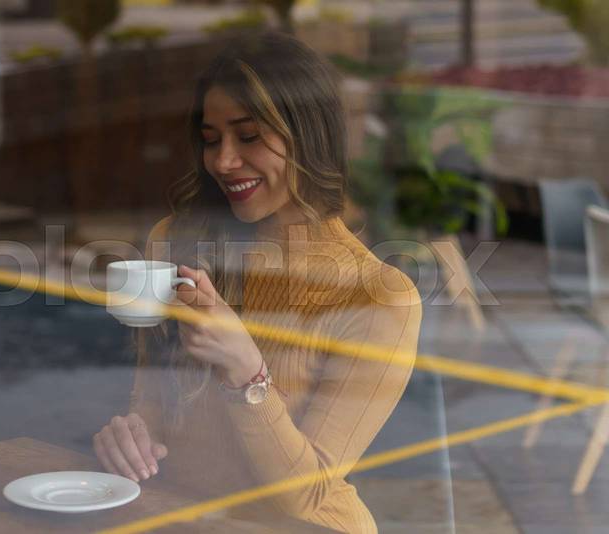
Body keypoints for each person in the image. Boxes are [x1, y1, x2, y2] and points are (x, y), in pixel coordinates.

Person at [93, 32, 422, 533]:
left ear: (308, 136)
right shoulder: (172, 245)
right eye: (211, 139)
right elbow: (152, 416)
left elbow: (306, 496)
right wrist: (129, 442)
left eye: (249, 136)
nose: (223, 161)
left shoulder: (379, 296)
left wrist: (247, 375)